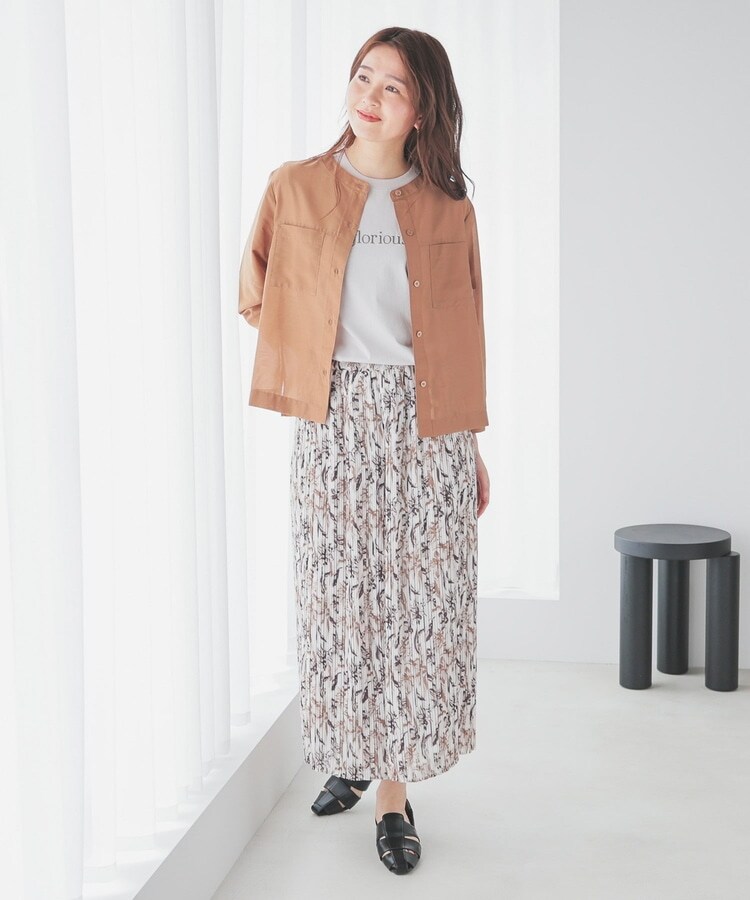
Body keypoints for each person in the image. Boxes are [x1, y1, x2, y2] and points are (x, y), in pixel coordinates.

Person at [238, 26, 490, 875]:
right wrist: (315, 352)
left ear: (422, 112)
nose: (369, 97)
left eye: (392, 87)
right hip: (335, 418)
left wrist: (470, 445)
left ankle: (391, 791)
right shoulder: (296, 186)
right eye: (362, 76)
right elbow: (257, 292)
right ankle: (349, 753)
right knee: (343, 601)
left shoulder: (449, 207)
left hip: (429, 425)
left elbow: (465, 333)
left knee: (419, 608)